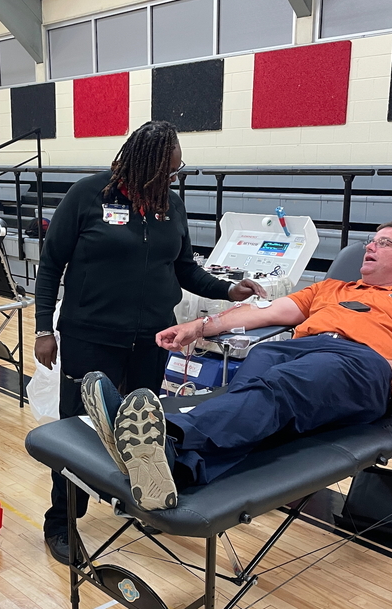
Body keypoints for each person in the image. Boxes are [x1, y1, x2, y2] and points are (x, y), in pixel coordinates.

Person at [80, 222, 392, 511]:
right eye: (370, 240)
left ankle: (168, 434)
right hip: (300, 352)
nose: (370, 246)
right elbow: (263, 313)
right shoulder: (331, 289)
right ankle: (173, 468)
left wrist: (390, 369)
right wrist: (198, 326)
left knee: (278, 388)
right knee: (260, 391)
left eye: (384, 242)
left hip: (363, 365)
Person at [33, 120, 266, 562]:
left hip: (152, 337)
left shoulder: (171, 205)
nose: (173, 179)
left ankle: (133, 498)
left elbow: (184, 268)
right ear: (143, 164)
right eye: (168, 171)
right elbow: (50, 265)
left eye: (177, 172)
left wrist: (227, 289)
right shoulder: (88, 195)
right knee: (79, 429)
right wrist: (45, 328)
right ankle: (61, 522)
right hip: (91, 335)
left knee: (141, 428)